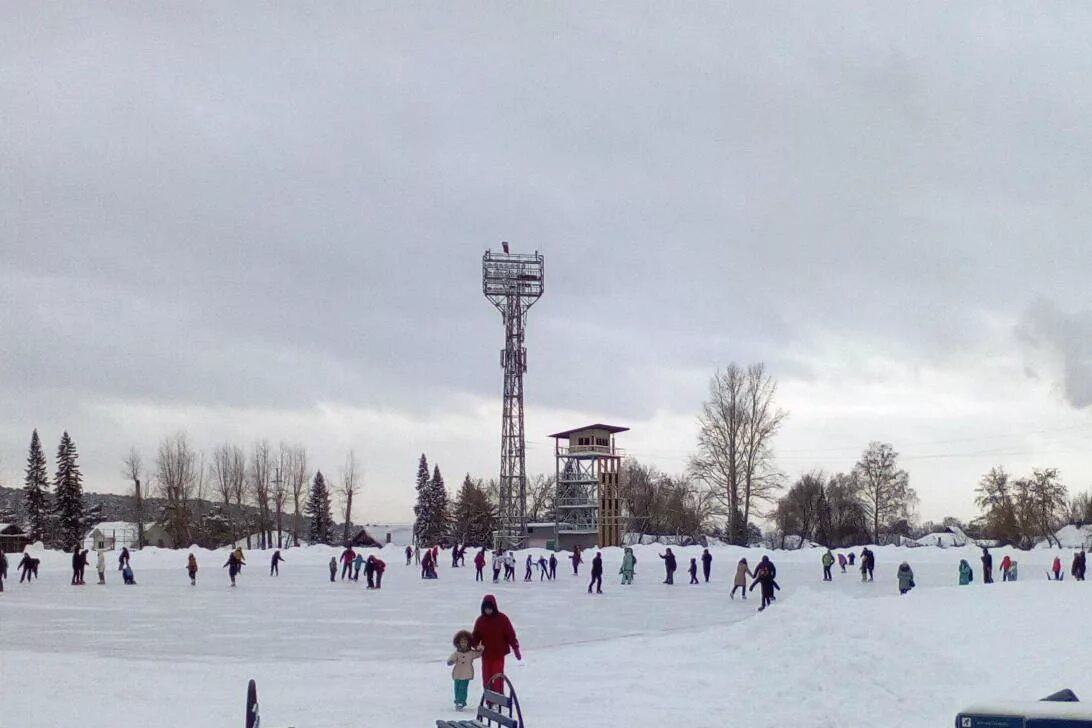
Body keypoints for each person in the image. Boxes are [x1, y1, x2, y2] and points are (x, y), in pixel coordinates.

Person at [471, 595, 521, 694]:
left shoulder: (502, 619)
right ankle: (489, 699)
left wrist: (516, 649)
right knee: (487, 677)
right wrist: (476, 646)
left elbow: (510, 634)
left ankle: (499, 696)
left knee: (498, 676)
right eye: (486, 609)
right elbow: (475, 637)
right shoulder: (480, 621)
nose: (488, 611)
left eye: (490, 608)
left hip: (499, 654)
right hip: (486, 654)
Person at [447, 629, 483, 711]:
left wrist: (481, 650)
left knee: (463, 688)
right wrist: (450, 661)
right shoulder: (457, 653)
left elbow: (478, 654)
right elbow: (452, 658)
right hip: (457, 673)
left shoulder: (471, 653)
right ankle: (457, 700)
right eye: (461, 642)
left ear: (468, 643)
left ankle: (461, 701)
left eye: (465, 642)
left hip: (466, 673)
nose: (463, 644)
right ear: (458, 643)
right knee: (457, 688)